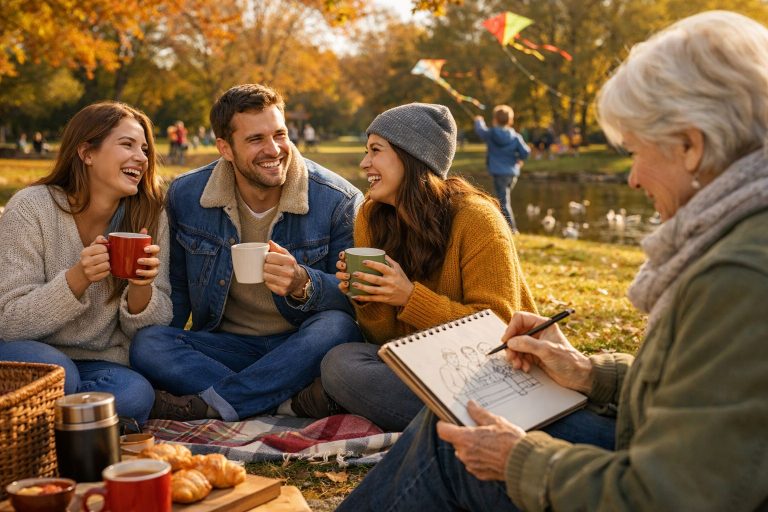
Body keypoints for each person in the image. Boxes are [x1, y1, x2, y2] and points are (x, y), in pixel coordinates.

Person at [338, 10, 768, 511]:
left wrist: (520, 458)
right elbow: (704, 400)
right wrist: (589, 372)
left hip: (652, 477)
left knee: (455, 432)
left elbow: (673, 494)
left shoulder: (737, 274)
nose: (632, 178)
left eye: (635, 151)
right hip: (646, 444)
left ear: (690, 147)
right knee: (360, 373)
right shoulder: (731, 244)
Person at [130, 84, 364, 422]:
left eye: (280, 135)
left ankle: (215, 404)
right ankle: (282, 399)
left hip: (301, 345)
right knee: (149, 343)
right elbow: (178, 291)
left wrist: (304, 283)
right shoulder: (186, 195)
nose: (274, 150)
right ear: (225, 148)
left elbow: (352, 302)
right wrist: (163, 344)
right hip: (225, 348)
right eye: (256, 140)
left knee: (337, 327)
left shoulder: (336, 200)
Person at [316, 103, 537, 431]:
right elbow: (387, 340)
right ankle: (453, 421)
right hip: (424, 367)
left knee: (339, 376)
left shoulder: (477, 219)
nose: (364, 163)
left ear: (411, 157)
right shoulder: (372, 216)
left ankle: (470, 422)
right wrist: (371, 298)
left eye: (375, 151)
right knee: (340, 361)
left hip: (489, 372)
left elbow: (499, 329)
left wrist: (409, 298)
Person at [0, 102, 172, 425]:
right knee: (59, 376)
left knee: (136, 396)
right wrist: (77, 279)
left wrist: (142, 288)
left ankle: (53, 416)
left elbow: (150, 331)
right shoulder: (31, 209)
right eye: (127, 144)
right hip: (31, 352)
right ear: (86, 153)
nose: (142, 157)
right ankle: (82, 416)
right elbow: (9, 322)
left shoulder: (149, 215)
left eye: (145, 149)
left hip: (102, 364)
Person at [474, 106, 530, 233]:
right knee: (503, 199)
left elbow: (481, 132)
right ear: (510, 121)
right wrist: (519, 159)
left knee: (503, 201)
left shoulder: (491, 134)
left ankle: (512, 229)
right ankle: (503, 227)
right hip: (512, 174)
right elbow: (525, 152)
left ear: (495, 120)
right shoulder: (515, 136)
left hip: (499, 173)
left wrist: (478, 121)